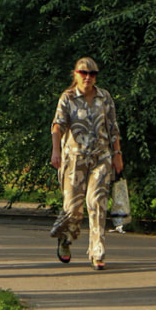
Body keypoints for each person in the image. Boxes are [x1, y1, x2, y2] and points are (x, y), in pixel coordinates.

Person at [49, 56, 124, 271]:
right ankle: (65, 238)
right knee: (73, 209)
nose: (88, 77)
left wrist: (117, 154)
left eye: (92, 74)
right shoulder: (68, 98)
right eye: (84, 73)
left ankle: (97, 250)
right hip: (74, 159)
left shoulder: (104, 97)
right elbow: (57, 125)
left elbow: (113, 127)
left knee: (97, 202)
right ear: (75, 74)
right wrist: (56, 152)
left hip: (101, 157)